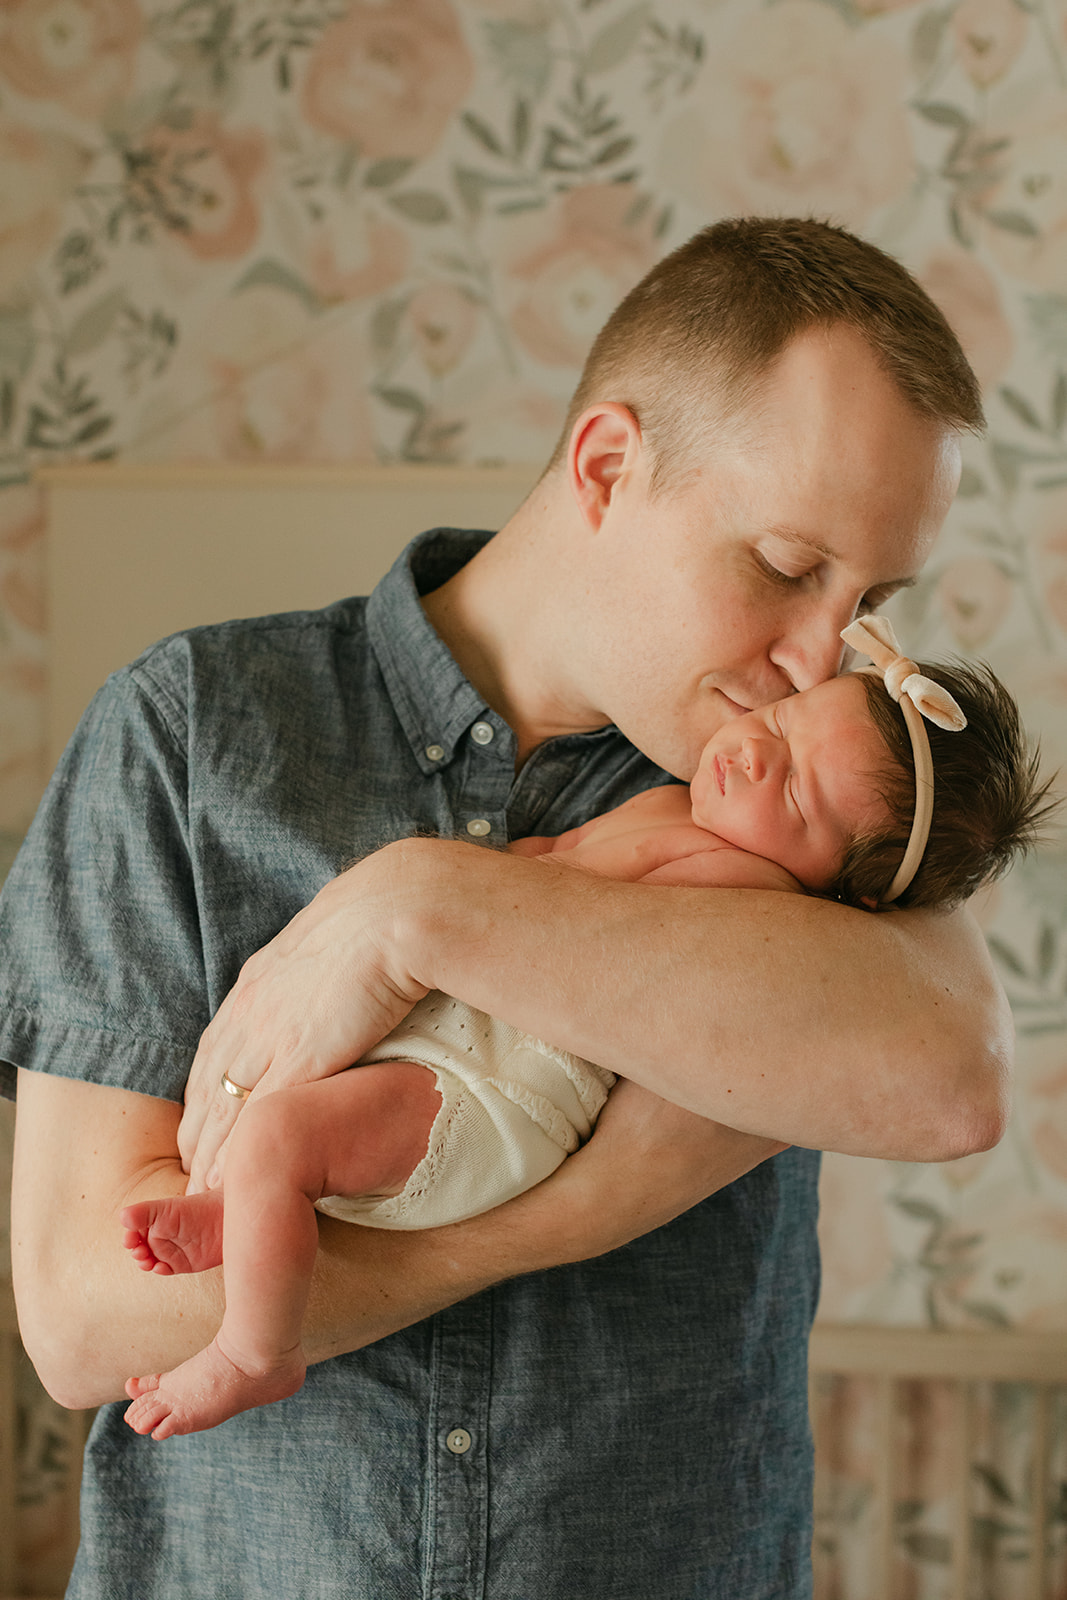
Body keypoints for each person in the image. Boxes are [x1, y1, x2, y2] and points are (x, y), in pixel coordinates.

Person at [3, 217, 1016, 1599]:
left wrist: (414, 908)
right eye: (786, 566)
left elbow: (949, 1081)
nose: (814, 656)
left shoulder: (794, 823)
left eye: (866, 604)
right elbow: (83, 1315)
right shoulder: (188, 734)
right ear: (606, 466)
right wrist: (557, 1217)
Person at [120, 627, 1051, 1443]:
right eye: (781, 725)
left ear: (851, 891)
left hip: (500, 1089)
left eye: (800, 798)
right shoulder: (678, 806)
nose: (756, 756)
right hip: (456, 1042)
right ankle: (252, 1217)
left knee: (282, 1137)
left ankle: (255, 1349)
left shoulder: (762, 900)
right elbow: (549, 873)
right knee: (289, 1130)